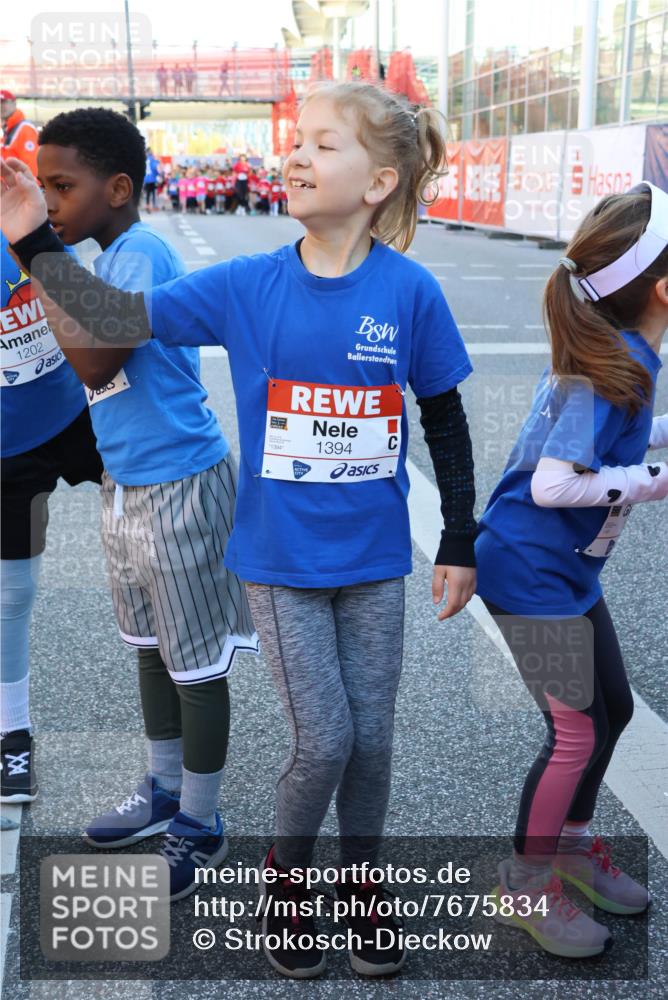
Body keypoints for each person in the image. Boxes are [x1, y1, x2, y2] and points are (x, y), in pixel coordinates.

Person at [1, 81, 478, 978]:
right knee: (326, 738)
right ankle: (288, 882)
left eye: (322, 146)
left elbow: (444, 415)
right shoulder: (248, 284)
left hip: (375, 561)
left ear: (378, 183)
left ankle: (361, 886)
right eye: (297, 141)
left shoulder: (411, 292)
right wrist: (30, 234)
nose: (297, 156)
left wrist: (459, 538)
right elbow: (110, 323)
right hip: (279, 561)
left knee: (373, 740)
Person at [9, 107, 258, 900]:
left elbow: (96, 359)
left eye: (62, 185)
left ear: (117, 189)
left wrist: (32, 246)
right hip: (129, 483)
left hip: (181, 480)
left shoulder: (141, 250)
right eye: (39, 184)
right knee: (148, 648)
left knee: (195, 665)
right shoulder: (101, 256)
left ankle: (202, 820)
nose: (48, 198)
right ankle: (161, 788)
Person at [474, 184, 668, 958]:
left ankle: (570, 847)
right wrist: (653, 480)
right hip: (526, 574)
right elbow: (555, 484)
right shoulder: (610, 366)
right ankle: (523, 882)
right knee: (577, 730)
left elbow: (617, 433)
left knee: (613, 710)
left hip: (563, 574)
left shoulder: (626, 358)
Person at [1, 95, 103, 808]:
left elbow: (104, 291)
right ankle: (13, 735)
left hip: (85, 403)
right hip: (9, 438)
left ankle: (190, 704)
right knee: (15, 589)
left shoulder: (27, 176)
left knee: (166, 533)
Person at [1, 90, 38, 177]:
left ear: (14, 103)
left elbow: (32, 166)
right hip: (11, 187)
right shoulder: (8, 130)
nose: (1, 106)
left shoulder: (25, 129)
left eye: (4, 102)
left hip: (22, 188)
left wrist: (30, 189)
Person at [143, 147, 161, 213]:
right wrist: (160, 174)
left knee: (147, 193)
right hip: (153, 179)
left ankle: (147, 205)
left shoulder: (145, 159)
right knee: (154, 193)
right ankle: (154, 206)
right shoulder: (153, 160)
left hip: (146, 179)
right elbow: (157, 168)